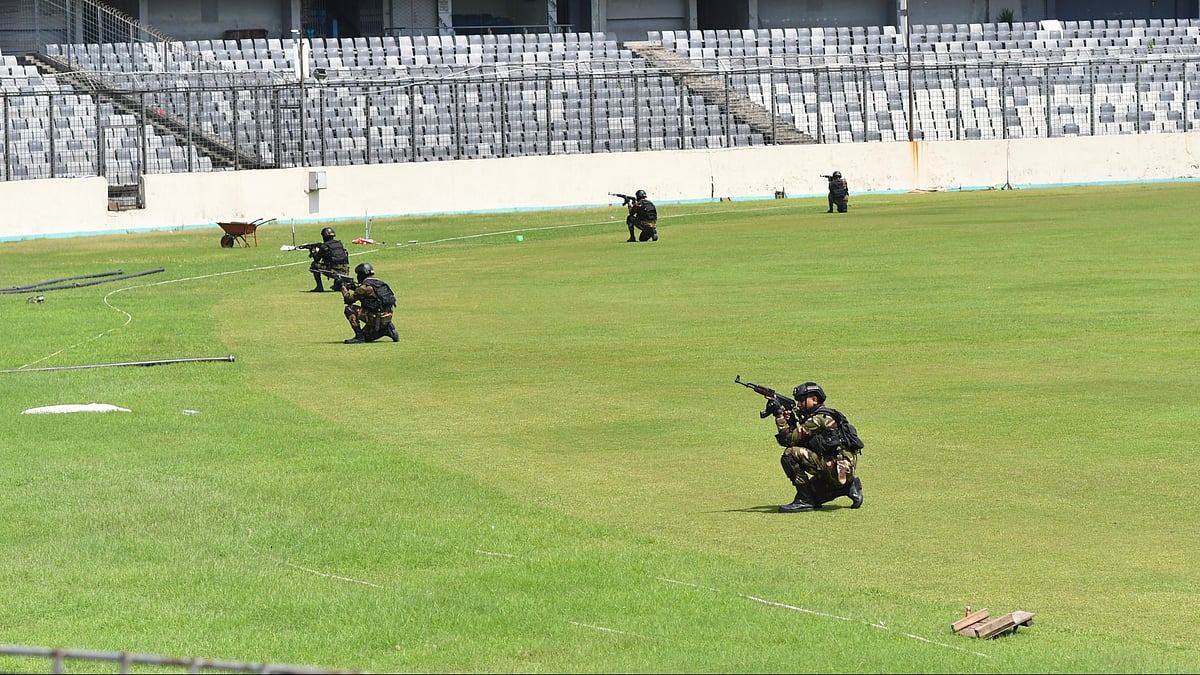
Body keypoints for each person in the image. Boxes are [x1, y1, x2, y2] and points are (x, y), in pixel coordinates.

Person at [771, 382, 863, 513]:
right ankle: (848, 487)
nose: (798, 405)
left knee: (789, 455)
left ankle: (805, 501)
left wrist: (779, 415)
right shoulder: (825, 415)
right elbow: (802, 441)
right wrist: (791, 422)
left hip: (836, 468)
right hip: (841, 469)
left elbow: (788, 441)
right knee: (814, 496)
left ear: (814, 400)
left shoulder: (818, 419)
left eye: (802, 400)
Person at [340, 262, 399, 344]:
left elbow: (348, 300)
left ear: (362, 275)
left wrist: (343, 287)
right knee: (367, 337)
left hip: (376, 318)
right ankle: (386, 329)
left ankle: (359, 337)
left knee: (349, 309)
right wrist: (354, 287)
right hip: (388, 316)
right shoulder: (379, 283)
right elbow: (370, 294)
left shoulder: (364, 287)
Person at [306, 227, 350, 292]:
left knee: (314, 265)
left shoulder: (325, 246)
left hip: (334, 270)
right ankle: (339, 284)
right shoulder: (339, 244)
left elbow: (317, 259)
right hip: (345, 271)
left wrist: (313, 251)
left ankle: (319, 287)